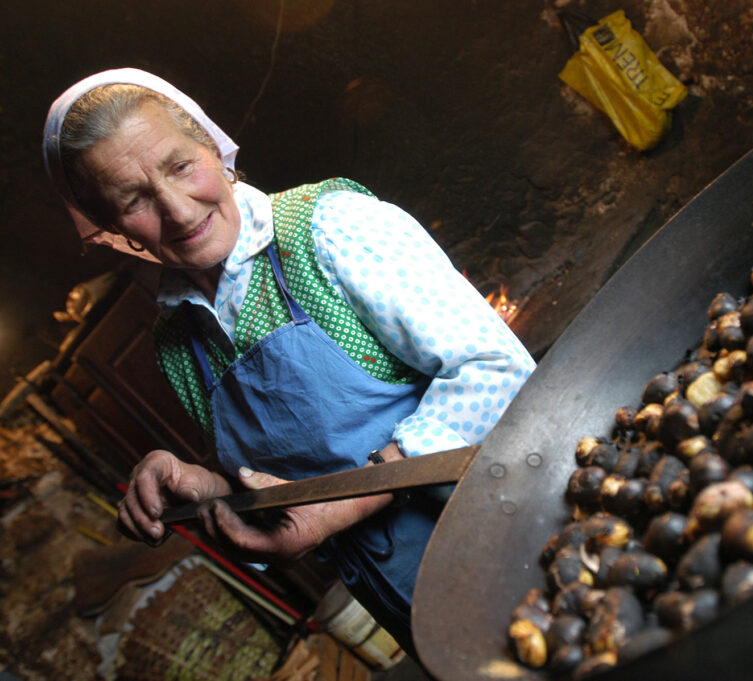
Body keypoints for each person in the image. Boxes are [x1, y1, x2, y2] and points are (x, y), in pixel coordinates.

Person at [42, 68, 535, 653]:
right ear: (111, 227)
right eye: (134, 200)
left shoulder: (328, 229)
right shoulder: (176, 342)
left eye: (180, 167)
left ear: (213, 146)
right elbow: (280, 478)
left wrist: (337, 509)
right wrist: (205, 485)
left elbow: (495, 370)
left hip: (514, 540)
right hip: (413, 606)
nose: (177, 211)